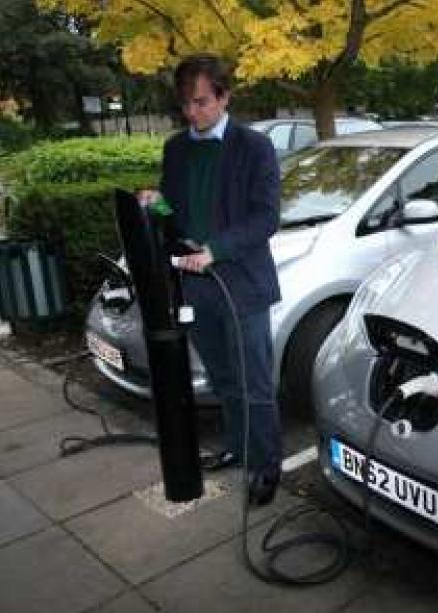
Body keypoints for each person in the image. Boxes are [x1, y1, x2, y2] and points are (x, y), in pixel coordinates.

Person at [137, 54, 282, 506]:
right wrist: (157, 204)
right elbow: (176, 216)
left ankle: (266, 466)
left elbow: (266, 218)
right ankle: (238, 449)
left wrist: (216, 250)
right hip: (195, 287)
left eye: (201, 102)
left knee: (254, 382)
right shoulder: (176, 149)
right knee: (222, 378)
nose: (192, 113)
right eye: (185, 104)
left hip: (241, 283)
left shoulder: (254, 147)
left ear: (224, 97)